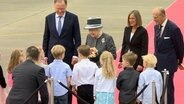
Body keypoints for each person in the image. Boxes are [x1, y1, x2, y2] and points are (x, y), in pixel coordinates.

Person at [152, 7, 184, 104]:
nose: (154, 20)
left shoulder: (174, 29)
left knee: (168, 88)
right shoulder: (156, 27)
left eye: (156, 17)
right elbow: (157, 46)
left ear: (163, 16)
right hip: (157, 63)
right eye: (153, 17)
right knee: (159, 86)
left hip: (169, 64)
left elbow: (180, 47)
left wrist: (179, 61)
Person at [43, 0, 81, 65]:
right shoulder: (49, 18)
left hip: (68, 55)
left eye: (62, 9)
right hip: (52, 55)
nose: (60, 11)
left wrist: (75, 55)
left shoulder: (73, 18)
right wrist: (45, 55)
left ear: (66, 6)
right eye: (58, 9)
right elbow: (46, 37)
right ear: (54, 6)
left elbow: (77, 38)